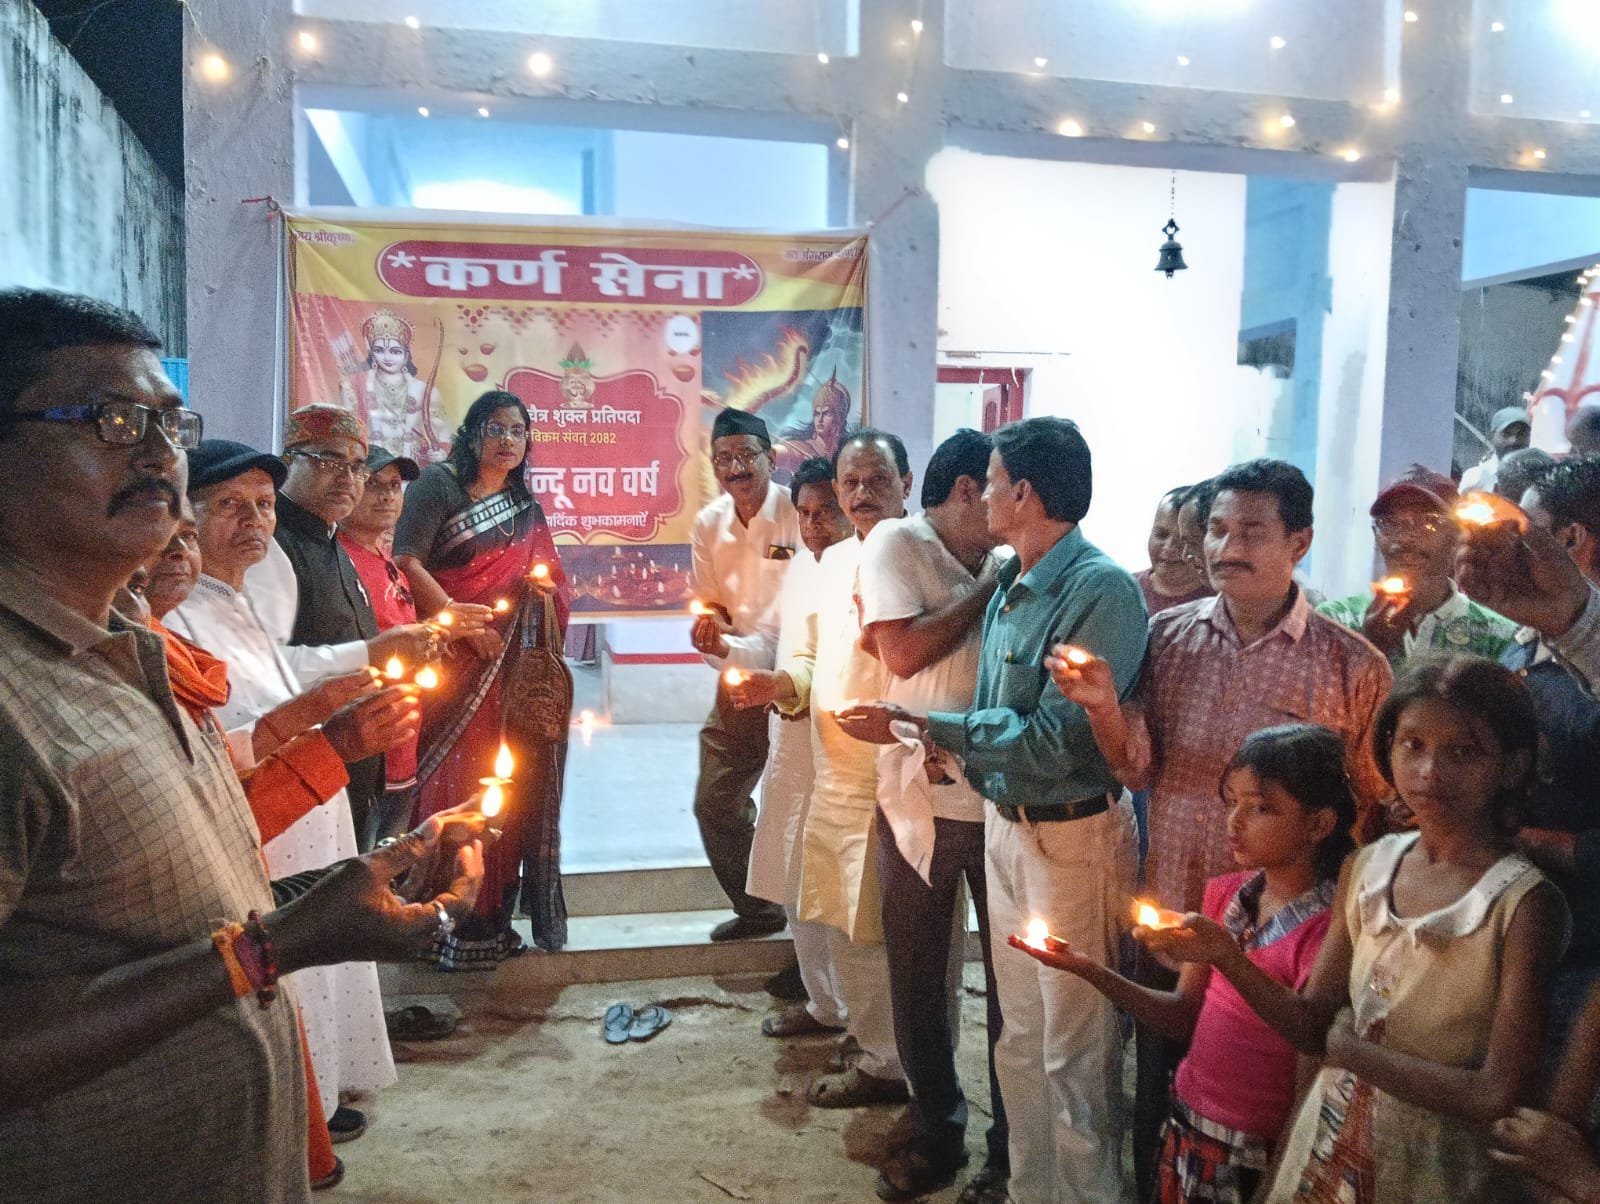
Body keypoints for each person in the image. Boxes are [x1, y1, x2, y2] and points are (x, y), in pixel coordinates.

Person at [0, 286, 482, 1203]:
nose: (155, 453)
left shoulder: (137, 650)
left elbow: (164, 914)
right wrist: (267, 953)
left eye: (169, 424)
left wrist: (354, 883)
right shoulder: (15, 696)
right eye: (108, 419)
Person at [1052, 457, 1392, 1197]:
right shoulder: (1166, 639)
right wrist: (1104, 706)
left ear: (1299, 542)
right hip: (1176, 918)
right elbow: (1137, 769)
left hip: (1292, 950)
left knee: (1277, 1123)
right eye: (1215, 528)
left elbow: (1373, 812)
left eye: (1250, 531)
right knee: (1164, 1104)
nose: (1224, 547)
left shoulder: (1350, 665)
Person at [841, 417, 1147, 1204]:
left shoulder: (1098, 589)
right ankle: (1026, 1184)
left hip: (1069, 831)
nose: (982, 496)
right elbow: (983, 699)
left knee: (1073, 1050)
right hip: (1008, 825)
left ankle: (1086, 1193)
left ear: (1023, 492)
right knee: (1021, 1040)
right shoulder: (1013, 580)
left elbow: (1050, 739)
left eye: (997, 477)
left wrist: (919, 726)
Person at [1147, 655, 1567, 1202]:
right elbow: (1308, 1025)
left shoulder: (1522, 903)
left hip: (1437, 1166)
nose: (1429, 771)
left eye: (1463, 752)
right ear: (1387, 749)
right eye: (1412, 745)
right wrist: (1227, 957)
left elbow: (1497, 1092)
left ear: (1512, 767)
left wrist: (1351, 1052)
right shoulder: (1368, 868)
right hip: (1331, 1141)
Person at [140, 499, 415, 1190]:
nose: (175, 552)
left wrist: (327, 728)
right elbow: (205, 788)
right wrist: (325, 735)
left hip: (267, 821)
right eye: (158, 535)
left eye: (182, 537)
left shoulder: (233, 600)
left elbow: (226, 748)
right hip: (194, 884)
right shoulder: (137, 642)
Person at [1013, 724, 1353, 1204]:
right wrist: (1089, 969)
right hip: (1193, 1119)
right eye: (1231, 801)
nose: (1234, 821)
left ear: (1320, 824)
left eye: (1260, 808)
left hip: (1261, 1148)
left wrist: (1282, 1177)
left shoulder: (1328, 932)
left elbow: (1309, 1061)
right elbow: (1182, 1014)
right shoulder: (1228, 895)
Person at [837, 429, 1006, 1200]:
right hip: (920, 799)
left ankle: (1013, 1135)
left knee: (1011, 984)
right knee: (918, 976)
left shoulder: (1001, 558)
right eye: (1000, 491)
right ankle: (938, 1121)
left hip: (1002, 798)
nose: (1008, 508)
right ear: (967, 490)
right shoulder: (899, 542)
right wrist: (986, 594)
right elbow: (901, 656)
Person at [395, 389, 572, 959]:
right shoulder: (436, 486)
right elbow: (406, 561)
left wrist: (542, 594)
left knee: (505, 785)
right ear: (472, 433)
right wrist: (460, 622)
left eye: (519, 431)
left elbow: (552, 582)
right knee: (447, 783)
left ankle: (490, 916)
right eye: (496, 429)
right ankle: (435, 919)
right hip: (450, 662)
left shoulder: (525, 505)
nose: (508, 441)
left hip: (511, 673)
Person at [777, 429, 913, 1112]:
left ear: (906, 485)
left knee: (882, 933)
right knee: (842, 926)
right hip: (834, 774)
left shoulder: (922, 558)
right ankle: (870, 1041)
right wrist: (781, 688)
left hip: (895, 781)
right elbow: (809, 660)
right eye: (850, 483)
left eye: (877, 481)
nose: (861, 494)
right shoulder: (830, 564)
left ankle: (895, 1065)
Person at [724, 457, 853, 1036]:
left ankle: (861, 1018)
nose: (815, 524)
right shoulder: (803, 567)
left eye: (826, 510)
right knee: (797, 873)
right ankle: (824, 1002)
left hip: (848, 746)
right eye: (804, 513)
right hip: (794, 737)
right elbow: (789, 648)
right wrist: (747, 664)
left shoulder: (872, 566)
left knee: (839, 882)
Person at [686, 407, 800, 942]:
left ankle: (810, 951)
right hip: (738, 679)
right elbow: (714, 609)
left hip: (800, 682)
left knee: (799, 809)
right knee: (715, 800)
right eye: (723, 459)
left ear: (770, 458)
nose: (735, 468)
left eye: (745, 455)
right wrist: (711, 630)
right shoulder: (708, 525)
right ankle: (759, 909)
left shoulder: (802, 514)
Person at [1502, 457, 1600, 1067]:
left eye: (1519, 532)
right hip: (1518, 928)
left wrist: (1529, 839)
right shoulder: (1521, 642)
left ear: (1568, 541)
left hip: (1584, 950)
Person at [1317, 465, 1517, 666]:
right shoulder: (1335, 621)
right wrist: (1370, 647)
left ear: (1457, 534)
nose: (1405, 539)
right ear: (1375, 534)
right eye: (1391, 524)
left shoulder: (1496, 634)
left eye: (1428, 523)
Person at [339, 444, 428, 846]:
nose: (387, 495)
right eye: (373, 484)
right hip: (364, 752)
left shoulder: (385, 558)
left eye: (394, 485)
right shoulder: (340, 559)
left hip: (401, 747)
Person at [338, 308, 446, 463]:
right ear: (373, 354)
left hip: (413, 470)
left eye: (395, 351)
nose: (387, 357)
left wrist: (441, 453)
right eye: (379, 350)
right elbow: (348, 431)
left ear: (406, 355)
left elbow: (441, 433)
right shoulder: (358, 387)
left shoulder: (423, 391)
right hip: (370, 469)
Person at [1137, 484, 1213, 615]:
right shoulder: (1123, 589)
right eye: (1161, 535)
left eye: (1183, 540)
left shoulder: (1223, 600)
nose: (1169, 547)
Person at [1460, 405, 1531, 493]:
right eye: (1507, 433)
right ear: (1492, 437)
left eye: (1521, 434)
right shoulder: (1475, 478)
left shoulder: (1540, 478)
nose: (1514, 441)